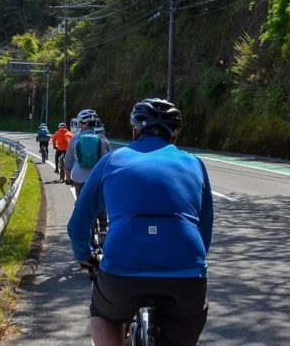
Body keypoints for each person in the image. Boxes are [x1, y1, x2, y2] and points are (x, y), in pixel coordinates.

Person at [67, 99, 213, 346]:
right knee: (183, 328)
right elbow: (204, 228)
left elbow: (78, 223)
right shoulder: (195, 164)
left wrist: (85, 256)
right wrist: (191, 263)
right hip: (185, 276)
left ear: (134, 131)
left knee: (104, 317)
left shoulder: (112, 160)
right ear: (175, 135)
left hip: (122, 272)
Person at [64, 109, 112, 198]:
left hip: (79, 178)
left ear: (81, 124)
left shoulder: (75, 139)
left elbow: (68, 162)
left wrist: (68, 179)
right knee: (100, 207)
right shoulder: (103, 139)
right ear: (94, 125)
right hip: (98, 179)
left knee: (80, 206)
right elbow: (110, 160)